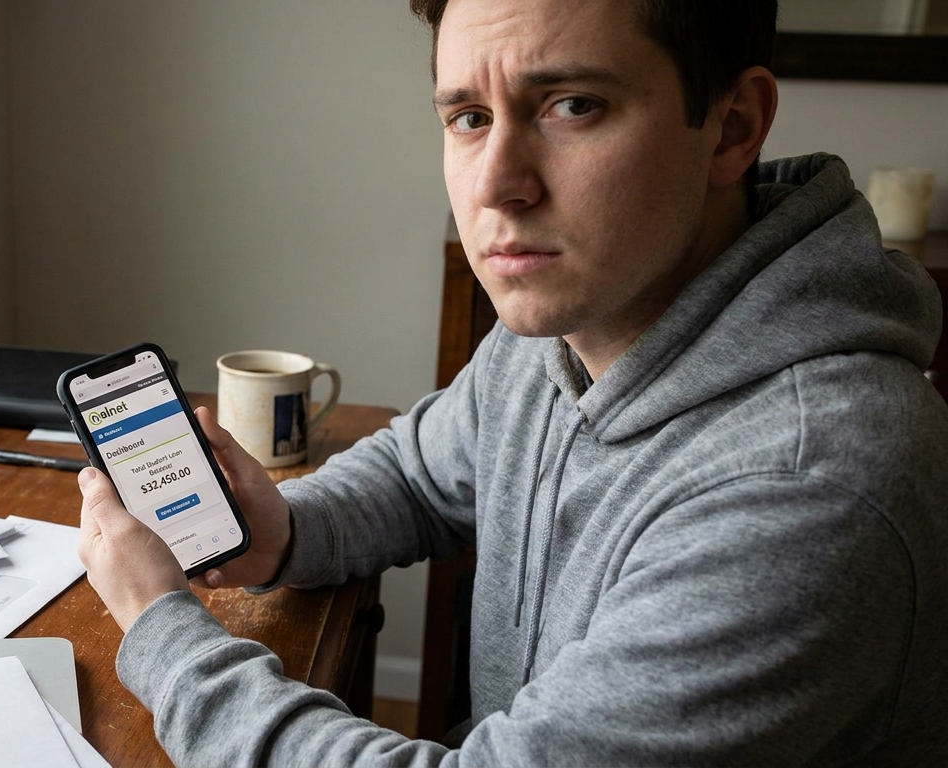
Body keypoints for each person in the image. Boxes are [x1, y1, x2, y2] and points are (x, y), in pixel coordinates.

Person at [74, 0, 948, 764]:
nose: (497, 185)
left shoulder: (806, 487)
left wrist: (164, 633)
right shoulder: (576, 313)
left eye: (573, 105)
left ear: (732, 124)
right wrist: (288, 529)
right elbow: (424, 471)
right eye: (466, 116)